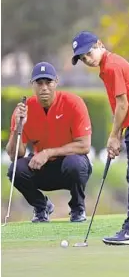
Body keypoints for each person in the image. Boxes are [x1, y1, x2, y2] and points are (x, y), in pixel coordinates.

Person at [71, 31, 129, 245]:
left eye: (88, 53)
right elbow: (124, 105)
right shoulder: (108, 66)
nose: (87, 59)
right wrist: (119, 135)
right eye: (82, 58)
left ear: (100, 44)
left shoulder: (111, 67)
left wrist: (114, 136)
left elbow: (123, 104)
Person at [6, 62, 92, 223]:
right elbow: (14, 155)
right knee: (15, 169)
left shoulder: (73, 103)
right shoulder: (24, 110)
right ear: (33, 85)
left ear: (56, 82)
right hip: (42, 168)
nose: (44, 87)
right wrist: (17, 127)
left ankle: (77, 208)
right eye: (39, 83)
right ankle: (41, 206)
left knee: (75, 164)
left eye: (48, 82)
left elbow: (84, 145)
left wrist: (48, 152)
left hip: (70, 165)